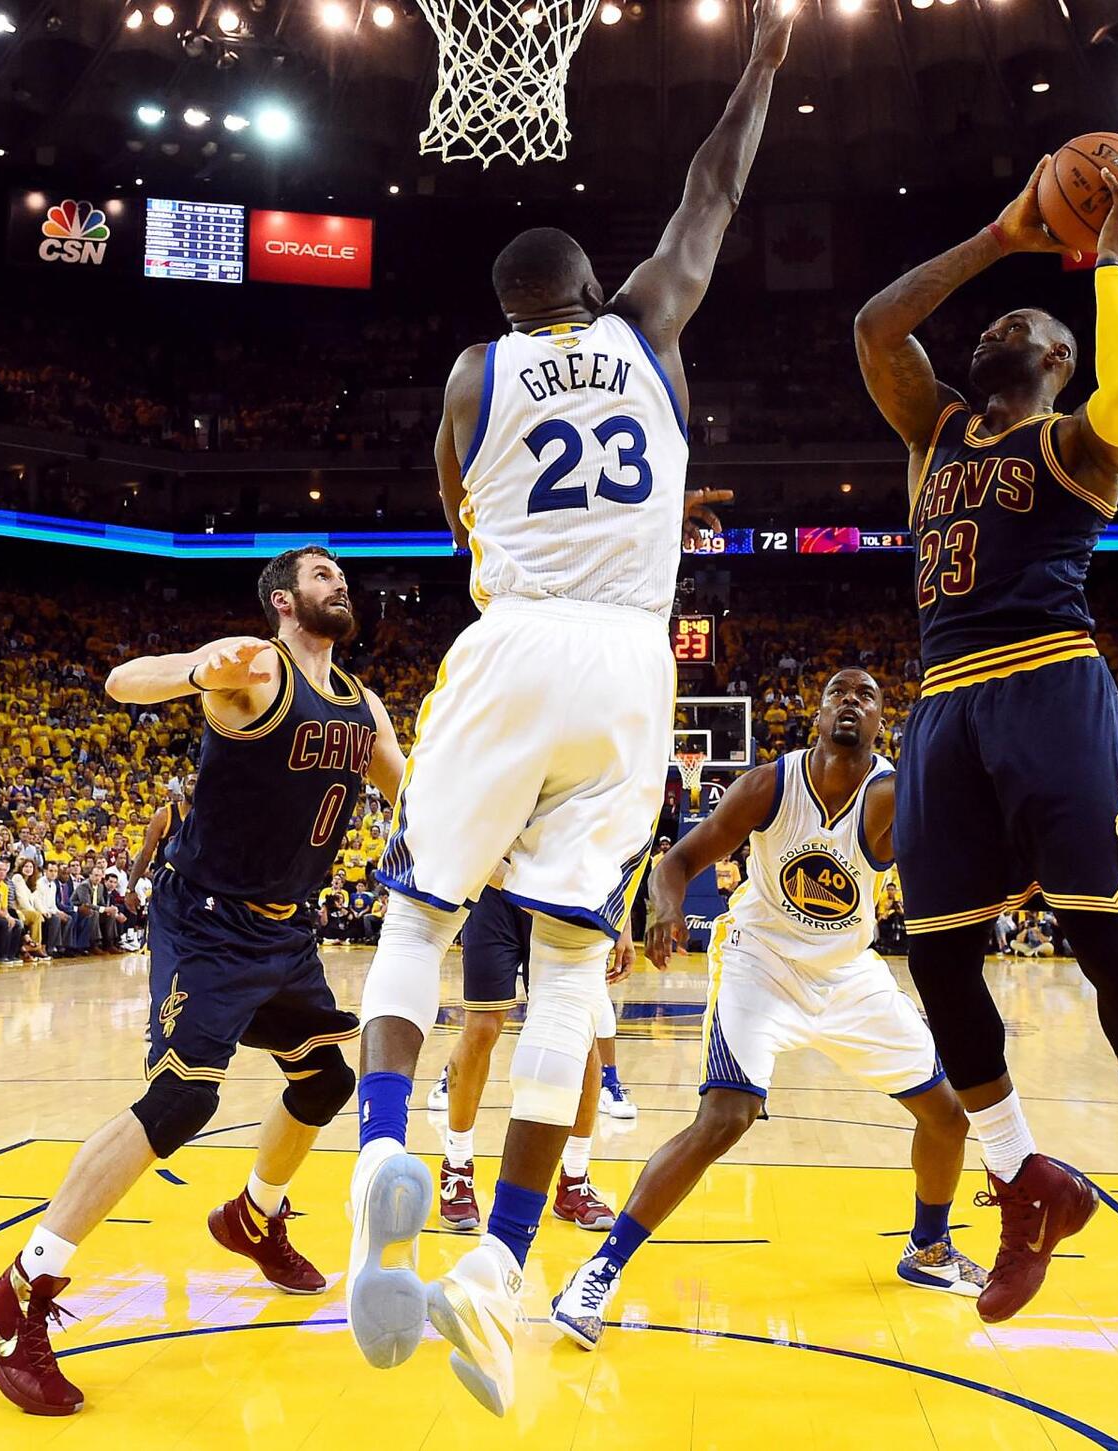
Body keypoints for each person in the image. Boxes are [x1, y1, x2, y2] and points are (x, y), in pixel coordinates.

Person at [345, 2, 793, 1416]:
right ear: (600, 286)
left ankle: (381, 1149)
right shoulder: (650, 327)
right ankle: (500, 1267)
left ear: (508, 310)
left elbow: (457, 517)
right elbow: (712, 194)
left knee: (418, 920)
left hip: (515, 636)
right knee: (568, 973)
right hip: (631, 664)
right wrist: (760, 65)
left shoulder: (471, 375)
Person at [853, 148, 1118, 1323]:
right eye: (997, 319)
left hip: (1049, 680)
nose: (1002, 322)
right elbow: (876, 326)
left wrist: (1109, 266)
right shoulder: (934, 430)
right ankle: (1023, 1182)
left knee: (1100, 932)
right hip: (945, 700)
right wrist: (1002, 238)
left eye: (1027, 322)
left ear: (1059, 362)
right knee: (939, 957)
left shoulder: (1081, 443)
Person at [0, 546, 405, 1418]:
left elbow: (412, 791)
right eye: (320, 574)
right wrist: (198, 669)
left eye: (340, 575)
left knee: (325, 1080)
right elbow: (124, 680)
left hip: (287, 929)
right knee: (181, 1101)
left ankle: (253, 1216)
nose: (339, 582)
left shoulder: (363, 704)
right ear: (283, 599)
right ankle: (12, 1297)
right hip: (207, 919)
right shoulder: (255, 667)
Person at [551, 670, 987, 1348]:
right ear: (817, 714)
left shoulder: (894, 797)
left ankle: (928, 1248)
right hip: (760, 959)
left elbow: (951, 859)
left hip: (847, 973)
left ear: (882, 723)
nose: (850, 700)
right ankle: (596, 1274)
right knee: (725, 1117)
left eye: (866, 695)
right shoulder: (769, 786)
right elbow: (677, 862)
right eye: (838, 692)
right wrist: (665, 909)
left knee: (948, 1116)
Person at [429, 886, 630, 1235]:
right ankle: (457, 1166)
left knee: (581, 1033)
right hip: (496, 894)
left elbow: (624, 855)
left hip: (569, 897)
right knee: (481, 1027)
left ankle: (575, 1178)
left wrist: (622, 922)